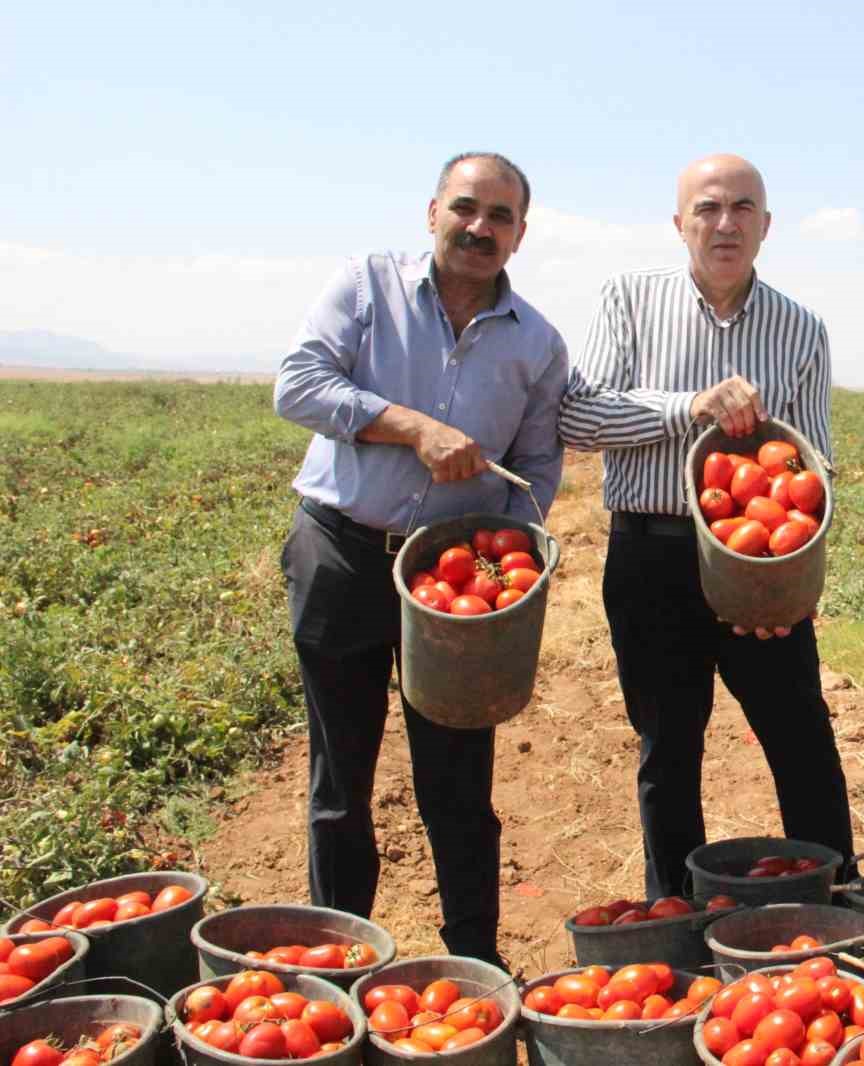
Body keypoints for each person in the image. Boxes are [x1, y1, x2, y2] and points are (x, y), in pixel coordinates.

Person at [274, 152, 566, 962]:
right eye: (465, 208)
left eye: (500, 217)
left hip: (452, 580)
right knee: (341, 779)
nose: (480, 228)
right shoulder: (365, 287)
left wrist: (508, 564)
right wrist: (409, 426)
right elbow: (296, 385)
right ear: (431, 211)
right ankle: (338, 953)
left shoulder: (537, 343)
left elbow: (538, 468)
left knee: (458, 780)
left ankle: (474, 959)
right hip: (342, 552)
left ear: (520, 235)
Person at [559, 153, 855, 900]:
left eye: (743, 208)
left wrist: (785, 582)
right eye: (708, 208)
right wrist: (688, 405)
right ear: (679, 222)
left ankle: (837, 901)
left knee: (802, 739)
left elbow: (811, 470)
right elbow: (580, 417)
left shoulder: (799, 328)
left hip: (756, 555)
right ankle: (678, 914)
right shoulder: (628, 300)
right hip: (650, 557)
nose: (726, 223)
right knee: (668, 750)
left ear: (766, 224)